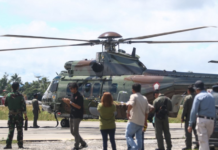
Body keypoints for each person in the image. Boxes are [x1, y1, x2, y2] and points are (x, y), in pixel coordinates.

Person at [188, 80, 216, 150]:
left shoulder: (198, 96)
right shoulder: (211, 97)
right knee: (204, 142)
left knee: (203, 142)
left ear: (197, 89)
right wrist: (214, 123)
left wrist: (190, 124)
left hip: (202, 120)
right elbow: (214, 111)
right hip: (211, 121)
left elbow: (194, 111)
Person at [62, 83, 88, 150]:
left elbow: (79, 107)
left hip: (77, 115)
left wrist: (70, 102)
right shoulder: (72, 95)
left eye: (71, 88)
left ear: (75, 88)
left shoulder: (79, 96)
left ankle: (76, 146)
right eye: (70, 88)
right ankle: (83, 143)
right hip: (72, 114)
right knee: (72, 131)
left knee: (76, 131)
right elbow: (71, 105)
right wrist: (67, 102)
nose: (70, 90)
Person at [4, 82, 28, 149]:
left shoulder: (8, 95)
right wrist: (25, 116)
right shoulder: (21, 96)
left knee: (10, 130)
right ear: (18, 87)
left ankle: (8, 145)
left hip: (11, 115)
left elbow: (5, 104)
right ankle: (20, 145)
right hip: (19, 116)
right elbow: (23, 107)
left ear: (11, 87)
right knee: (19, 131)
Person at [126, 83, 149, 150]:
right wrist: (145, 121)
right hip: (141, 121)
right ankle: (139, 148)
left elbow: (131, 104)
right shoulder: (145, 98)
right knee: (139, 138)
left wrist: (128, 112)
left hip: (134, 120)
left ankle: (134, 148)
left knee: (128, 135)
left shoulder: (133, 96)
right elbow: (147, 111)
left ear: (133, 90)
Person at [181, 85, 199, 150]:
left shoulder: (187, 98)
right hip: (197, 117)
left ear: (188, 91)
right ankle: (198, 145)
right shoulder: (197, 97)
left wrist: (182, 117)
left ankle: (188, 146)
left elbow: (185, 109)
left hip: (189, 117)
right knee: (197, 132)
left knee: (188, 133)